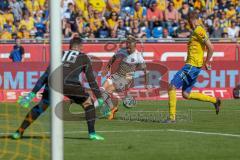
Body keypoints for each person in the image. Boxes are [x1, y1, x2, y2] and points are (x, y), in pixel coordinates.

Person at [12, 37, 105, 140]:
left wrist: (33, 93)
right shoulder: (84, 57)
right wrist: (99, 97)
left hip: (53, 82)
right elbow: (91, 80)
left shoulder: (59, 54)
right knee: (88, 103)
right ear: (81, 47)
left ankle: (18, 132)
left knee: (41, 106)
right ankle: (92, 134)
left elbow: (46, 75)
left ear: (70, 46)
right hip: (70, 84)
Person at [166, 11, 221, 123]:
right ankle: (215, 100)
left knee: (172, 86)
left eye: (188, 21)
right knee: (186, 94)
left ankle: (172, 118)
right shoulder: (197, 31)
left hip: (192, 66)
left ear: (191, 20)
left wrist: (207, 62)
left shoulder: (198, 30)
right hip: (194, 67)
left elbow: (211, 47)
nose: (188, 24)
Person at [100, 35, 147, 120]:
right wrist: (107, 67)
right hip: (117, 75)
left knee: (108, 90)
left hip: (126, 78)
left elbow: (145, 69)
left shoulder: (138, 56)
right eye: (127, 47)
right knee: (102, 90)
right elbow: (113, 58)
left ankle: (111, 108)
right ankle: (113, 108)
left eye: (130, 48)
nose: (128, 50)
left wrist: (146, 83)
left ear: (134, 46)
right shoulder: (122, 50)